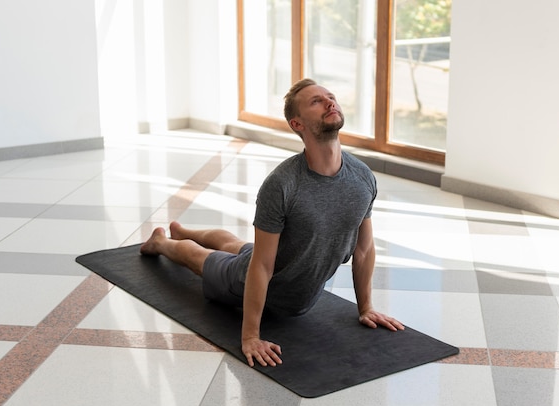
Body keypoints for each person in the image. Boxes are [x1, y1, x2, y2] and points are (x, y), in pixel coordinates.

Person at [140, 78, 404, 368]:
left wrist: (365, 307)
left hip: (284, 266)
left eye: (330, 97)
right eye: (316, 101)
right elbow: (262, 266)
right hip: (253, 280)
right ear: (297, 124)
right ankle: (163, 242)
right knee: (200, 258)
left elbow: (364, 250)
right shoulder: (282, 185)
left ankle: (183, 230)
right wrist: (250, 336)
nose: (330, 102)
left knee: (238, 246)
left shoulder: (363, 177)